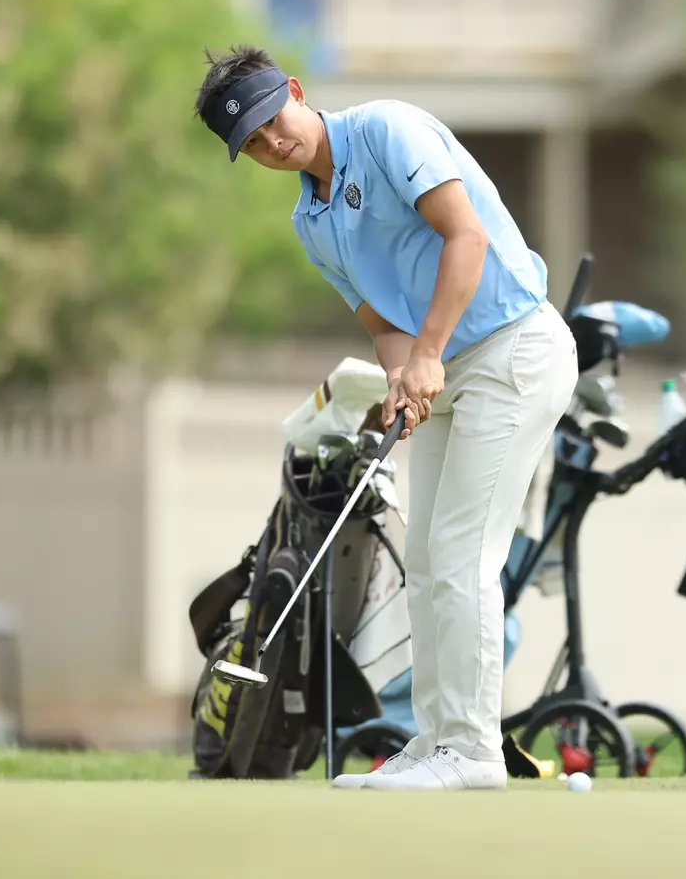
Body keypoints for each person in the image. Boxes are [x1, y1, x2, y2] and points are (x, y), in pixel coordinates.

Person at [195, 45, 579, 791]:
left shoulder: (388, 130)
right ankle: (436, 740)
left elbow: (465, 236)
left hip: (514, 350)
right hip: (449, 373)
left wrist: (427, 354)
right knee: (427, 563)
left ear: (295, 92)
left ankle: (473, 752)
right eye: (253, 143)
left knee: (463, 556)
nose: (273, 143)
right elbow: (382, 321)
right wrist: (404, 373)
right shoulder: (311, 221)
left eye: (273, 120)